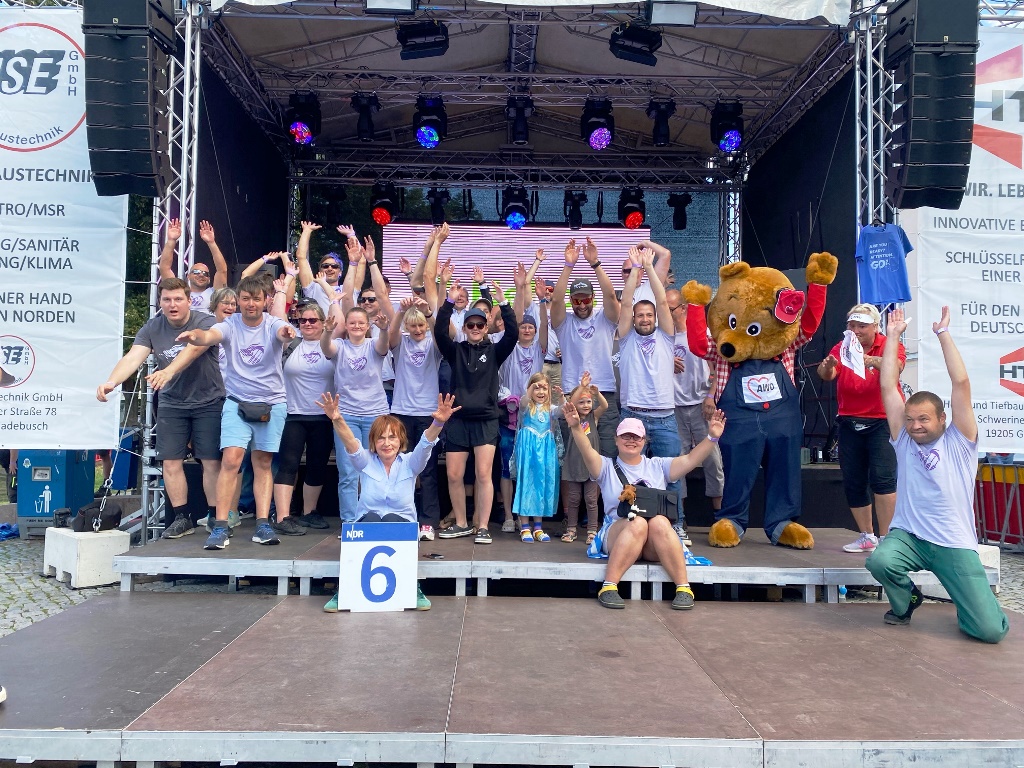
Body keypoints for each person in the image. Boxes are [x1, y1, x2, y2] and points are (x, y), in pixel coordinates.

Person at [866, 307, 1008, 643]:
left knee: (989, 632)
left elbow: (961, 383)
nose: (915, 426)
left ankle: (972, 607)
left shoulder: (961, 440)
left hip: (952, 543)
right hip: (910, 537)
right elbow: (888, 387)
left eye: (923, 419)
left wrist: (943, 334)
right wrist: (893, 336)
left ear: (942, 419)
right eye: (910, 419)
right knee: (880, 561)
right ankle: (906, 601)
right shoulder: (903, 439)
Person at [175, 275, 297, 549]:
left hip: (271, 403)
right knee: (231, 459)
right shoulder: (230, 324)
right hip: (237, 402)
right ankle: (220, 525)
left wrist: (287, 333)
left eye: (256, 299)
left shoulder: (273, 324)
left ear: (265, 301)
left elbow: (283, 332)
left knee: (263, 463)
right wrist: (197, 336)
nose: (251, 304)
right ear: (239, 300)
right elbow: (211, 335)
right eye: (245, 298)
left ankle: (263, 524)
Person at [564, 404, 726, 610]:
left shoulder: (658, 465)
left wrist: (712, 437)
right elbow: (587, 450)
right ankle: (609, 586)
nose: (631, 440)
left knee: (659, 521)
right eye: (625, 436)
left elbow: (691, 459)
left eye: (636, 437)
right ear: (616, 439)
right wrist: (576, 427)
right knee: (637, 522)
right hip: (618, 533)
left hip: (652, 540)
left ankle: (684, 588)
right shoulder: (605, 466)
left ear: (644, 441)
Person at [97, 277, 224, 539]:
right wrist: (112, 382)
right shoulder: (153, 327)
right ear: (160, 302)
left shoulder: (205, 322)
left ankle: (215, 517)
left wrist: (168, 371)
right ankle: (182, 518)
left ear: (189, 300)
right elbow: (133, 356)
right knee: (170, 461)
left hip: (208, 400)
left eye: (178, 299)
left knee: (210, 461)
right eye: (167, 299)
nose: (172, 304)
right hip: (171, 403)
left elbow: (194, 350)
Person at [317, 392, 461, 612]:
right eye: (381, 438)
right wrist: (337, 418)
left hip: (402, 529)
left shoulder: (411, 463)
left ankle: (412, 586)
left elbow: (425, 444)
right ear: (373, 442)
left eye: (392, 437)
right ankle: (345, 589)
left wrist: (438, 422)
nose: (386, 443)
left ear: (400, 440)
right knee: (372, 518)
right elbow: (351, 443)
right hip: (367, 527)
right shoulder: (365, 461)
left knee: (393, 518)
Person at [434, 277, 518, 543]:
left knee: (483, 475)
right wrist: (448, 301)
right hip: (458, 419)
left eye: (480, 325)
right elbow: (439, 332)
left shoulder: (495, 352)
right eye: (470, 325)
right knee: (454, 474)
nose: (475, 328)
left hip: (485, 420)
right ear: (464, 327)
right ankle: (461, 523)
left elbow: (512, 334)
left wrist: (504, 303)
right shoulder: (455, 350)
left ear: (486, 327)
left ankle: (482, 526)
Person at [817, 303, 905, 553]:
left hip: (882, 421)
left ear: (875, 327)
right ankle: (867, 535)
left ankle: (887, 538)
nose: (855, 330)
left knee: (883, 479)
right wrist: (827, 365)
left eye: (861, 326)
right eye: (851, 325)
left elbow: (897, 368)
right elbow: (827, 374)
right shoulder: (842, 346)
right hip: (849, 420)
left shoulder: (889, 343)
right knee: (853, 480)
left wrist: (872, 360)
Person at [618, 246, 688, 544]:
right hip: (633, 415)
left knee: (672, 476)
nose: (645, 319)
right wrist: (636, 268)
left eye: (649, 315)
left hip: (664, 418)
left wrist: (649, 267)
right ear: (634, 318)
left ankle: (677, 525)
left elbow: (661, 300)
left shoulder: (666, 335)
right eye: (640, 315)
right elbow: (625, 304)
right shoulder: (625, 338)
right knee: (630, 475)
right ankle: (631, 523)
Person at [320, 282, 394, 521]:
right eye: (352, 323)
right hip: (347, 417)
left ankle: (375, 518)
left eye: (361, 323)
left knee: (376, 470)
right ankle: (350, 522)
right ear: (347, 326)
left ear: (367, 325)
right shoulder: (340, 346)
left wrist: (384, 329)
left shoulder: (373, 344)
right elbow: (326, 348)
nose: (357, 326)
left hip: (375, 415)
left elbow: (383, 346)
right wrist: (327, 331)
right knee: (349, 473)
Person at [550, 238, 621, 456]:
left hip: (603, 393)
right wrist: (568, 266)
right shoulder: (564, 323)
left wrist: (595, 263)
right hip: (573, 392)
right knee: (573, 454)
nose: (582, 305)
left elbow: (611, 295)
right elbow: (556, 301)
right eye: (576, 301)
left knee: (608, 452)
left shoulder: (605, 319)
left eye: (586, 300)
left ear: (593, 298)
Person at [271, 302, 336, 535]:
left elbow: (339, 319)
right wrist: (283, 290)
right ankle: (282, 516)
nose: (307, 324)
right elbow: (276, 320)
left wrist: (333, 298)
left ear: (322, 323)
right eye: (302, 320)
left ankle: (309, 512)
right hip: (293, 414)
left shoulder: (331, 345)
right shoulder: (291, 343)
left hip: (322, 416)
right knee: (288, 465)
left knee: (317, 466)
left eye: (313, 320)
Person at [667, 288, 724, 530]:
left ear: (683, 308)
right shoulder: (664, 337)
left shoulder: (702, 334)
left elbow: (719, 367)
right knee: (678, 461)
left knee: (712, 460)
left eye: (669, 309)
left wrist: (710, 396)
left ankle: (719, 515)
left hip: (701, 405)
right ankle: (680, 518)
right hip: (674, 407)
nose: (665, 313)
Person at [389, 295, 444, 541]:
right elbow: (390, 337)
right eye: (413, 325)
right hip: (401, 411)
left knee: (428, 470)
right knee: (400, 468)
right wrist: (400, 311)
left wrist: (429, 314)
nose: (418, 329)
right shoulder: (401, 342)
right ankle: (402, 517)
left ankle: (428, 522)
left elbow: (442, 338)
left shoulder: (433, 344)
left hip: (427, 413)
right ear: (407, 326)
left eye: (421, 325)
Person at [512, 372, 563, 542]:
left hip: (545, 451)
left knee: (541, 484)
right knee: (527, 483)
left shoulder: (550, 409)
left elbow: (562, 411)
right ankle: (525, 526)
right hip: (528, 450)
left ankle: (538, 528)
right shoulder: (526, 407)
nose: (540, 392)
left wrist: (562, 398)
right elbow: (523, 402)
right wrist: (530, 388)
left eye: (544, 388)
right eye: (536, 388)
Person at [560, 372, 607, 544]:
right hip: (574, 464)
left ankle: (592, 530)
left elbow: (605, 406)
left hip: (591, 466)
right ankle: (571, 529)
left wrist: (597, 394)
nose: (585, 405)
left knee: (591, 499)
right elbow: (571, 403)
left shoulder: (594, 417)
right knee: (573, 499)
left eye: (588, 401)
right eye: (581, 402)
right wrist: (581, 387)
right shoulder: (572, 417)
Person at [158, 219, 228, 312]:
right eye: (196, 272)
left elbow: (222, 270)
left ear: (209, 279)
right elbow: (164, 268)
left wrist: (211, 243)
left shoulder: (214, 294)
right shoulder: (179, 291)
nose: (201, 275)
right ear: (188, 276)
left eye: (205, 274)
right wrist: (171, 240)